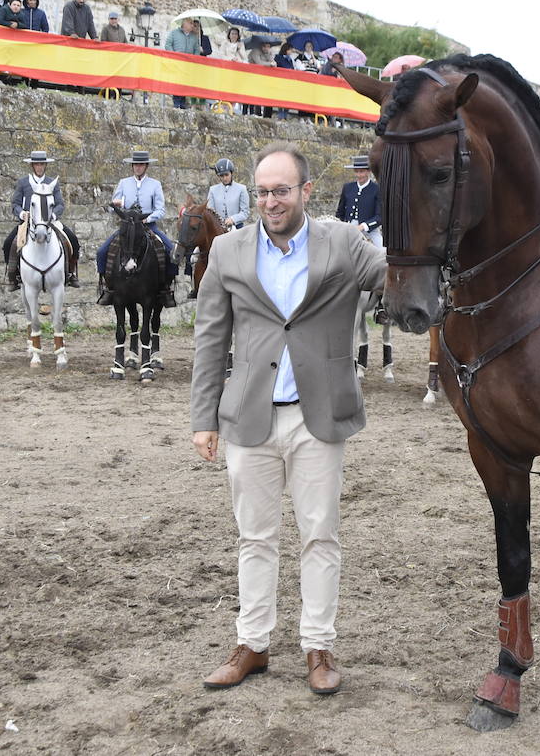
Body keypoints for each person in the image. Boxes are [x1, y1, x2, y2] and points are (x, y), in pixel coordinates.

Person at [191, 144, 386, 697]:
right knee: (254, 537)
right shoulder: (228, 251)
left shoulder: (345, 242)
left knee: (320, 536)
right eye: (263, 191)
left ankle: (317, 647)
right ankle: (251, 645)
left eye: (281, 190)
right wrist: (203, 418)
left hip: (317, 416)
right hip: (247, 417)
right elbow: (210, 340)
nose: (271, 201)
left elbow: (391, 275)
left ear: (305, 191)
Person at [96, 150, 178, 308]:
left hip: (148, 226)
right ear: (132, 166)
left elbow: (160, 210)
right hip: (128, 228)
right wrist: (116, 205)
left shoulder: (155, 184)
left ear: (146, 166)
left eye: (141, 165)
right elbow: (114, 206)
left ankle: (166, 290)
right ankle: (108, 288)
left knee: (171, 251)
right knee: (102, 251)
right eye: (135, 165)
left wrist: (149, 218)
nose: (138, 167)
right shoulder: (123, 183)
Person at [4, 150, 81, 289]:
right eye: (36, 164)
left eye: (42, 164)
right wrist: (22, 214)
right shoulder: (23, 182)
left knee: (73, 240)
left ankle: (70, 273)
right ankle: (13, 276)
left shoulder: (52, 182)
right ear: (32, 166)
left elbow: (60, 204)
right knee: (9, 243)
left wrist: (53, 215)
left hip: (50, 221)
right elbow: (15, 203)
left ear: (45, 165)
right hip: (28, 222)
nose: (39, 167)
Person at [333, 155, 382, 245]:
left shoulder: (377, 189)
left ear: (368, 171)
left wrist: (363, 226)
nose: (359, 175)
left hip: (369, 230)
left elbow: (379, 217)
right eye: (356, 172)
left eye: (362, 172)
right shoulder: (347, 187)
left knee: (382, 251)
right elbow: (340, 212)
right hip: (348, 228)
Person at [165, 17, 203, 109]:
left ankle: (183, 103)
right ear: (184, 23)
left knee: (185, 83)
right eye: (190, 23)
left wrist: (194, 59)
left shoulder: (194, 37)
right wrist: (174, 55)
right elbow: (168, 45)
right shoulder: (174, 33)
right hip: (177, 63)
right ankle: (176, 103)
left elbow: (196, 50)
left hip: (188, 65)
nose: (192, 25)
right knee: (177, 82)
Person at [207, 158, 251, 230]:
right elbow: (210, 211)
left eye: (227, 175)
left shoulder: (241, 189)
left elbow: (245, 212)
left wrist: (233, 219)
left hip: (237, 227)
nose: (224, 178)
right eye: (221, 176)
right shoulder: (212, 190)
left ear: (231, 173)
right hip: (218, 228)